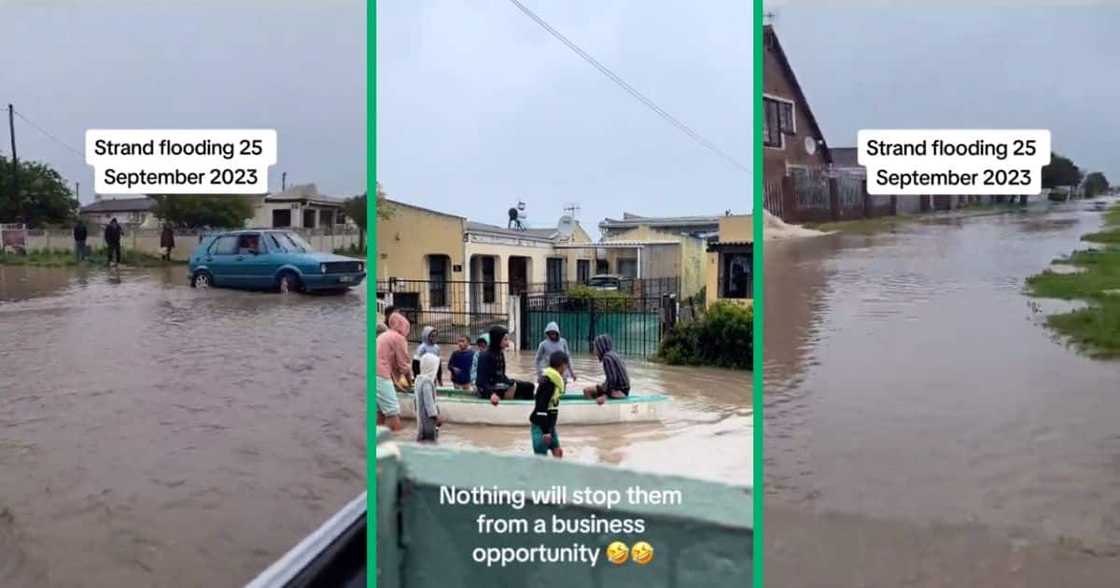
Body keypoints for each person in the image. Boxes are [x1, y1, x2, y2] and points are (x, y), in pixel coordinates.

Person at [475, 325, 534, 405]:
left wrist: (512, 382)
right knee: (526, 387)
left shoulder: (500, 354)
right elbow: (480, 382)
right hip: (489, 390)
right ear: (497, 339)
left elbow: (501, 376)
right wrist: (491, 394)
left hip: (499, 385)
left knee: (529, 386)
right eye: (505, 339)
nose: (508, 343)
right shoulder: (485, 356)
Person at [376, 313, 413, 431]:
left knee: (380, 411)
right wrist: (410, 383)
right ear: (402, 326)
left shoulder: (383, 336)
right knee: (393, 411)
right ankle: (397, 441)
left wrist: (395, 383)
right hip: (381, 375)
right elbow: (404, 366)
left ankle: (378, 441)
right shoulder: (399, 338)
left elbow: (389, 363)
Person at [530, 351, 569, 459]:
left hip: (550, 425)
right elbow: (541, 407)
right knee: (541, 460)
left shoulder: (554, 381)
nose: (566, 370)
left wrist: (549, 429)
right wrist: (546, 432)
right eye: (566, 366)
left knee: (558, 452)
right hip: (540, 427)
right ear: (562, 365)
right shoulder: (548, 383)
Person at [583, 334, 630, 405]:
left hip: (618, 390)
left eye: (595, 347)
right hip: (624, 389)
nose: (594, 350)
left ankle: (594, 410)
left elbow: (612, 380)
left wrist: (605, 395)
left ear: (600, 347)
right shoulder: (613, 354)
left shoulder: (607, 358)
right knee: (594, 389)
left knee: (586, 391)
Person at [414, 353, 442, 442]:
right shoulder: (427, 383)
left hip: (420, 417)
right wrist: (436, 417)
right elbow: (429, 402)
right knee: (430, 441)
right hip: (428, 420)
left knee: (422, 439)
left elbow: (415, 400)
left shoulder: (419, 379)